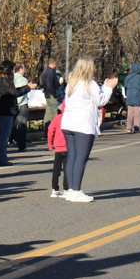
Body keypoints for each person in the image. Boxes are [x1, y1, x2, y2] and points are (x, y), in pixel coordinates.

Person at [60, 57, 118, 202]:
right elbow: (101, 101)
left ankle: (70, 189)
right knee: (81, 158)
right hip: (83, 125)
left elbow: (94, 97)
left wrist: (104, 86)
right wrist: (109, 88)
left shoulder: (72, 82)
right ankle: (76, 190)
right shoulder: (90, 84)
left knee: (72, 157)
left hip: (68, 123)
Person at [0, 60, 35, 166]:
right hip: (5, 110)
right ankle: (2, 158)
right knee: (4, 135)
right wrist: (28, 87)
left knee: (2, 134)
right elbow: (14, 92)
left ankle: (2, 157)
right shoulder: (5, 81)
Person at [47, 105, 69, 198]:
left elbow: (50, 130)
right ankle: (66, 189)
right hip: (68, 147)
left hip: (58, 147)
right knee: (67, 170)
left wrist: (50, 144)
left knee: (56, 169)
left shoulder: (57, 118)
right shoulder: (71, 118)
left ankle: (54, 189)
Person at [12, 63, 31, 151]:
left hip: (12, 104)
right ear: (20, 70)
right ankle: (22, 145)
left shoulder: (11, 79)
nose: (25, 70)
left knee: (13, 124)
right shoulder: (23, 80)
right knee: (22, 125)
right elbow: (23, 93)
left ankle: (13, 139)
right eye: (23, 69)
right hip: (22, 104)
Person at [124, 62, 140, 133]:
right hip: (137, 97)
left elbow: (125, 85)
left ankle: (129, 128)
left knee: (130, 113)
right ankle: (136, 127)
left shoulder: (128, 77)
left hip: (130, 96)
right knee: (137, 113)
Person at [40, 58, 60, 132]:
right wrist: (54, 94)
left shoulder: (45, 71)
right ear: (54, 63)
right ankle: (53, 131)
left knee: (48, 113)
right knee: (53, 113)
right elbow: (50, 85)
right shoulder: (51, 72)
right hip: (51, 94)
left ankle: (46, 130)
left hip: (47, 94)